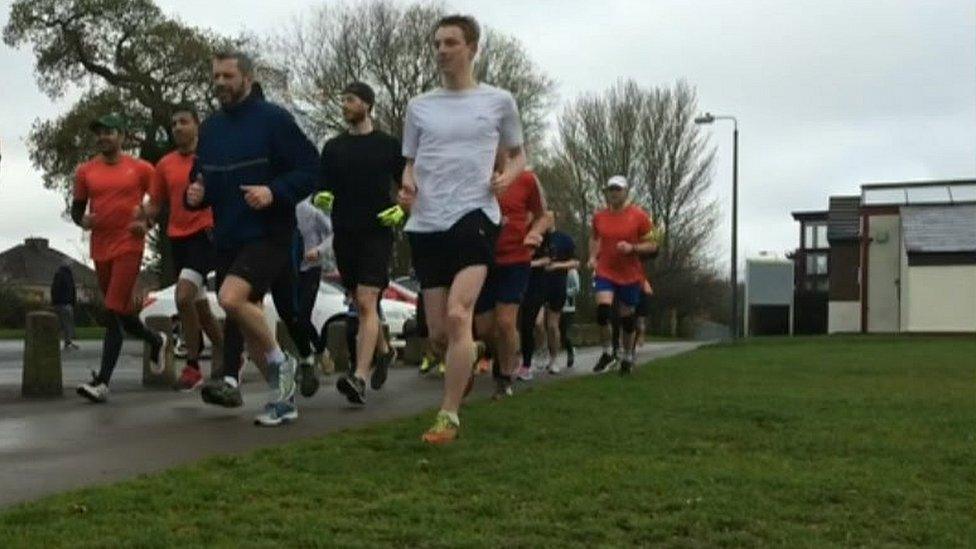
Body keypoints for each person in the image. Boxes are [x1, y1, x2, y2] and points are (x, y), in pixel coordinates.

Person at [399, 14, 526, 444]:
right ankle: (463, 361)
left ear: (472, 48)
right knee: (438, 333)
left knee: (459, 315)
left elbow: (518, 154)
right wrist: (408, 183)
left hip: (475, 214)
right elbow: (411, 160)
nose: (441, 50)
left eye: (451, 43)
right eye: (437, 43)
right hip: (427, 221)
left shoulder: (498, 101)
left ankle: (448, 416)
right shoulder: (419, 106)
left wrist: (507, 178)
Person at [185, 50, 319, 426]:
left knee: (230, 297)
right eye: (215, 78)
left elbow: (311, 169)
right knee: (246, 320)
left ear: (247, 78)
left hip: (270, 231)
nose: (221, 84)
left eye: (228, 76)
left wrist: (274, 192)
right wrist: (194, 195)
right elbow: (203, 179)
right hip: (228, 234)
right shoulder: (210, 128)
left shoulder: (274, 120)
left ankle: (285, 363)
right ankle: (284, 398)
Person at [72, 113, 169, 402]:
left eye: (109, 132)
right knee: (122, 313)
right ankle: (156, 340)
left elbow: (159, 202)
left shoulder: (141, 169)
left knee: (112, 309)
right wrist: (83, 220)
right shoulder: (85, 171)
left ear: (123, 136)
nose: (103, 137)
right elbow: (77, 209)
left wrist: (147, 223)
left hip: (129, 244)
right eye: (99, 132)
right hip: (101, 247)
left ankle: (102, 382)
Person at [317, 81, 403, 405]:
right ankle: (383, 350)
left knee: (368, 301)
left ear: (367, 104)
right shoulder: (333, 147)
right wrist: (322, 196)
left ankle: (360, 377)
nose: (345, 105)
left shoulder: (388, 145)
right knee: (361, 301)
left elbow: (408, 185)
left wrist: (402, 211)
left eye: (350, 100)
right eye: (343, 100)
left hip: (377, 232)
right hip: (345, 232)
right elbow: (321, 185)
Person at [148, 105, 224, 391]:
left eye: (183, 122)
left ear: (197, 125)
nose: (177, 127)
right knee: (199, 307)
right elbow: (155, 204)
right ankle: (227, 352)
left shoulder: (212, 157)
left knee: (183, 297)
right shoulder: (164, 165)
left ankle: (192, 365)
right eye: (174, 124)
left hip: (205, 234)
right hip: (176, 238)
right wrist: (141, 218)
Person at [473, 170, 548, 399]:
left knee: (506, 322)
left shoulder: (525, 179)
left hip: (515, 259)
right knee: (485, 329)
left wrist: (534, 232)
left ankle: (504, 378)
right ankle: (503, 358)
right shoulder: (473, 173)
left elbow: (545, 215)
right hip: (482, 259)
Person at [589, 175, 657, 375]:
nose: (614, 193)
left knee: (628, 320)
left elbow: (653, 244)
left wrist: (632, 248)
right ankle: (607, 351)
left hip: (629, 273)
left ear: (626, 192)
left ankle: (627, 354)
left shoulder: (639, 215)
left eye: (618, 189)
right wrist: (593, 257)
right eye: (611, 189)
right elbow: (594, 238)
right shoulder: (599, 216)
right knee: (602, 311)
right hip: (605, 270)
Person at [293, 195, 334, 393]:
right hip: (291, 270)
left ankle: (313, 354)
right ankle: (314, 351)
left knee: (302, 315)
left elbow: (332, 234)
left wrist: (318, 250)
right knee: (294, 316)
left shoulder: (310, 211)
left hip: (311, 268)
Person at [542, 220, 579, 374]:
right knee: (536, 323)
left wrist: (557, 266)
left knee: (553, 326)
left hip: (557, 285)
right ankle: (533, 356)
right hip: (536, 284)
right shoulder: (536, 237)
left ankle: (554, 359)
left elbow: (576, 262)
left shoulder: (564, 239)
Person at [51, 262, 79, 351]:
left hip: (59, 304)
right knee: (67, 324)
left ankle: (54, 342)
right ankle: (67, 342)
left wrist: (54, 302)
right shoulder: (68, 276)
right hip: (66, 303)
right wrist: (73, 302)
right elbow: (72, 291)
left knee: (60, 324)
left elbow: (54, 289)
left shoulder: (58, 275)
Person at [560, 267, 580, 368]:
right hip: (556, 307)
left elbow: (576, 289)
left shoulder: (572, 272)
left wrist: (563, 292)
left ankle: (570, 351)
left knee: (565, 333)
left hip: (568, 308)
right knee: (557, 333)